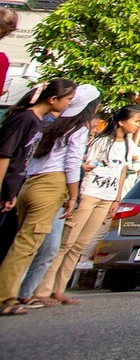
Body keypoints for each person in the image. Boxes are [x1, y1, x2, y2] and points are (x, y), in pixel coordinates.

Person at [0, 82, 97, 316]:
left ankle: (17, 292)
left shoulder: (49, 123)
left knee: (21, 242)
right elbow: (72, 163)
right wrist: (73, 196)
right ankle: (6, 297)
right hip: (51, 185)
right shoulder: (77, 129)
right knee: (27, 245)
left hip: (28, 182)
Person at [34, 104, 140, 305]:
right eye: (135, 121)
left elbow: (121, 172)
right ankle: (42, 289)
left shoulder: (129, 145)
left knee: (80, 245)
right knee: (65, 243)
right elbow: (81, 167)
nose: (137, 125)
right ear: (121, 122)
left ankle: (59, 289)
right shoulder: (99, 142)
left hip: (106, 198)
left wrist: (116, 199)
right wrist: (74, 197)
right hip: (87, 194)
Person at [0, 80, 77, 265]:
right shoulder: (24, 119)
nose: (69, 104)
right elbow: (4, 155)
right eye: (68, 99)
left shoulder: (37, 121)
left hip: (16, 190)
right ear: (53, 99)